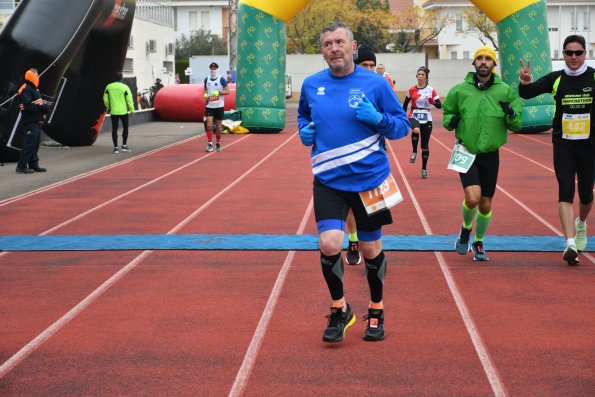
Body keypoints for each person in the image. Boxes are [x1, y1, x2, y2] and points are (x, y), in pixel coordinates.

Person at [298, 23, 409, 343]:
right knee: (330, 243)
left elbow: (401, 127)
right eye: (327, 44)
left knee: (372, 249)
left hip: (369, 180)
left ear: (353, 46)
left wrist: (378, 119)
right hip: (329, 180)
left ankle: (376, 309)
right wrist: (304, 131)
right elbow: (305, 116)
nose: (334, 48)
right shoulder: (311, 85)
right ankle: (339, 308)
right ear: (322, 50)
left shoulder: (376, 85)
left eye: (339, 42)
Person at [518, 35, 595, 265]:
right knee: (565, 189)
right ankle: (570, 242)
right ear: (562, 54)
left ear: (585, 54)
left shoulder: (593, 77)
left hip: (589, 145)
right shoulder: (556, 79)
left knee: (586, 194)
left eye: (578, 53)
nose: (573, 57)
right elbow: (527, 94)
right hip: (563, 143)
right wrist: (524, 82)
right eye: (569, 53)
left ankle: (581, 224)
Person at [443, 45, 522, 261]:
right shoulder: (460, 90)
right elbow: (447, 115)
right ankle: (466, 228)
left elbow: (517, 123)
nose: (484, 62)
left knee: (486, 203)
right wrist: (452, 120)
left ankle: (478, 242)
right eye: (480, 58)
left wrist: (512, 113)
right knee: (472, 196)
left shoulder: (505, 91)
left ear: (494, 64)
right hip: (466, 150)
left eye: (488, 58)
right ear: (474, 63)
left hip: (491, 153)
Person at [402, 66, 441, 178]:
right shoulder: (411, 90)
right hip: (414, 114)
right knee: (416, 129)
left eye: (422, 75)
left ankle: (424, 169)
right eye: (418, 74)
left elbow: (439, 105)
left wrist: (432, 101)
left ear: (426, 77)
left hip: (426, 117)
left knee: (425, 146)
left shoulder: (431, 90)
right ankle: (414, 151)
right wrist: (402, 115)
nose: (420, 76)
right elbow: (405, 104)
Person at [15, 68, 50, 174]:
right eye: (37, 74)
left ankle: (33, 164)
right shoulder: (26, 88)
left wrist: (44, 107)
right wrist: (42, 108)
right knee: (29, 144)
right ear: (32, 75)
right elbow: (27, 105)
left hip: (37, 120)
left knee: (35, 144)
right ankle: (21, 166)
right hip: (30, 121)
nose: (38, 76)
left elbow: (37, 103)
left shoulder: (35, 89)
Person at [103, 71, 135, 154]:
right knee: (125, 128)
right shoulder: (125, 87)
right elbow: (129, 99)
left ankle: (116, 148)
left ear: (114, 78)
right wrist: (132, 110)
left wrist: (108, 106)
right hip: (123, 111)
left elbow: (105, 99)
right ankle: (124, 145)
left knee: (114, 129)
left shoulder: (109, 87)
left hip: (114, 111)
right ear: (121, 78)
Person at [203, 62, 229, 152]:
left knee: (218, 126)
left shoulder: (221, 79)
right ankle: (210, 144)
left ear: (217, 69)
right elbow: (205, 90)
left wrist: (219, 93)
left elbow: (227, 91)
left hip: (219, 106)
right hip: (209, 106)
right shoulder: (207, 79)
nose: (213, 69)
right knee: (209, 124)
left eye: (214, 68)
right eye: (211, 67)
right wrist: (205, 95)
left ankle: (217, 142)